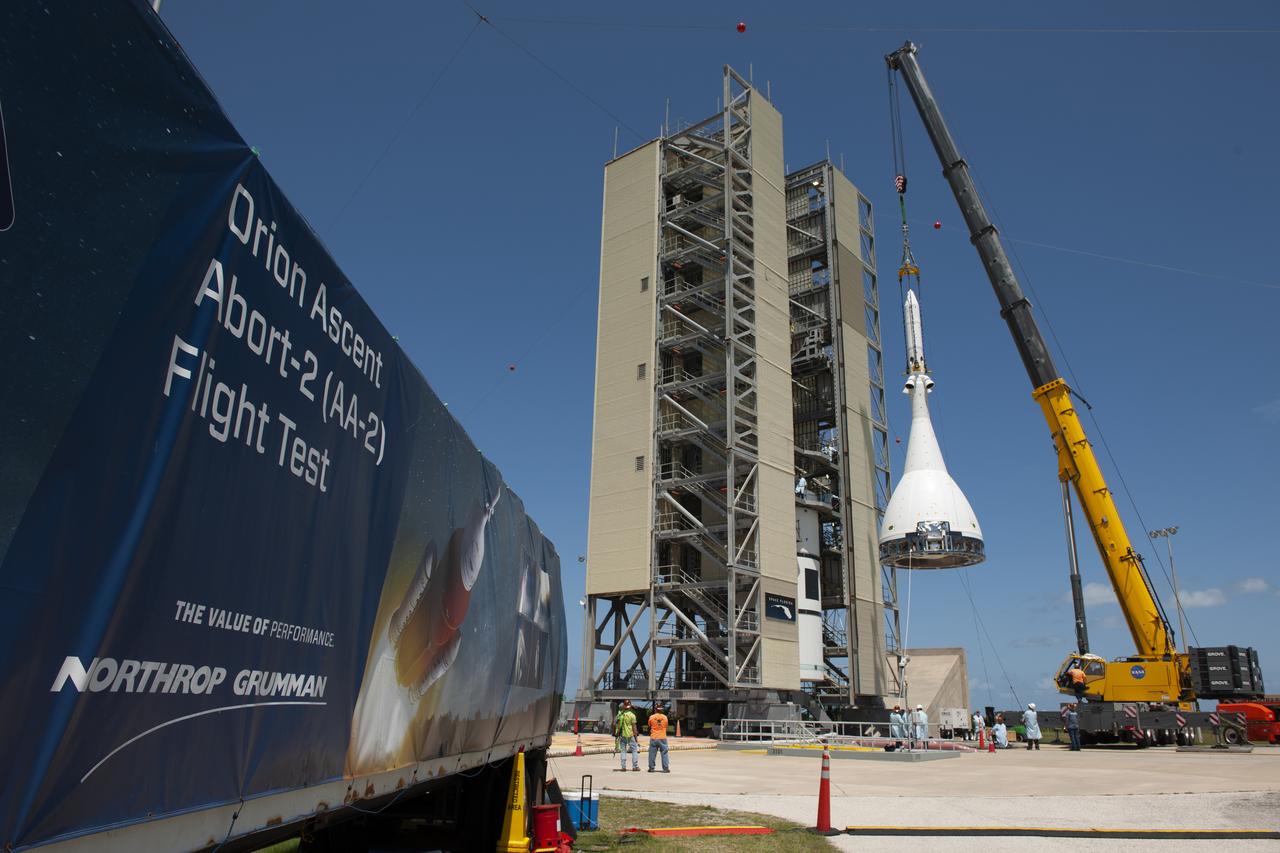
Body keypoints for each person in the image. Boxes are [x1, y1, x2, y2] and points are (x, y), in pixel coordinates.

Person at [614, 700, 639, 771]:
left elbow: (618, 725)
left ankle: (623, 767)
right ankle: (635, 766)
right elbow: (634, 727)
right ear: (630, 706)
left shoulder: (620, 714)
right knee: (634, 750)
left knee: (623, 751)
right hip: (630, 735)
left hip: (622, 735)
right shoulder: (632, 715)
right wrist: (636, 737)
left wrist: (617, 734)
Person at [647, 703, 670, 773]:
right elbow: (666, 726)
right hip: (662, 737)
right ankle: (665, 768)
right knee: (664, 753)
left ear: (655, 709)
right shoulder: (665, 717)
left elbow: (649, 726)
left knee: (652, 753)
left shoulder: (651, 717)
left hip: (653, 737)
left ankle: (651, 768)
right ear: (662, 709)